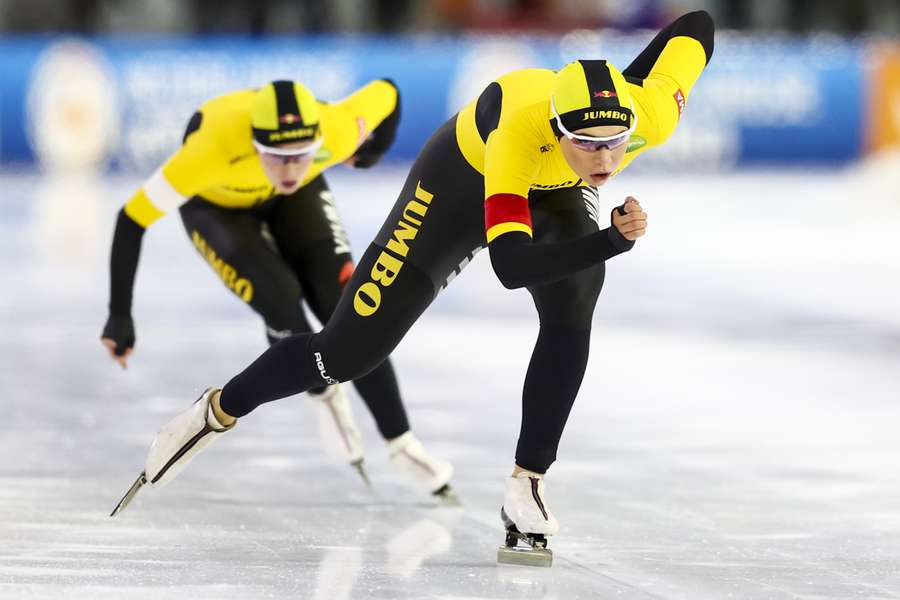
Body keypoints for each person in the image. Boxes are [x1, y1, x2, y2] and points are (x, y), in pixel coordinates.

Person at [119, 10, 714, 564]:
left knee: (576, 297)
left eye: (614, 141)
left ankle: (526, 483)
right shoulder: (517, 136)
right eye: (583, 142)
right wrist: (612, 238)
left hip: (555, 190)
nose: (603, 159)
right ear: (556, 128)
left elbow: (698, 25)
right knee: (344, 355)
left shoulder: (652, 113)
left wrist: (626, 79)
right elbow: (510, 266)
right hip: (459, 182)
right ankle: (216, 411)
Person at [102, 79, 454, 499]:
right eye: (276, 157)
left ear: (318, 142)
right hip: (217, 210)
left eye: (300, 156)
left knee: (354, 305)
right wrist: (119, 314)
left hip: (299, 201)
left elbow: (390, 91)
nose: (289, 170)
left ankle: (402, 444)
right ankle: (323, 393)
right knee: (283, 303)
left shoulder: (338, 129)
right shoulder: (207, 153)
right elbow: (131, 219)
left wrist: (371, 152)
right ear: (254, 145)